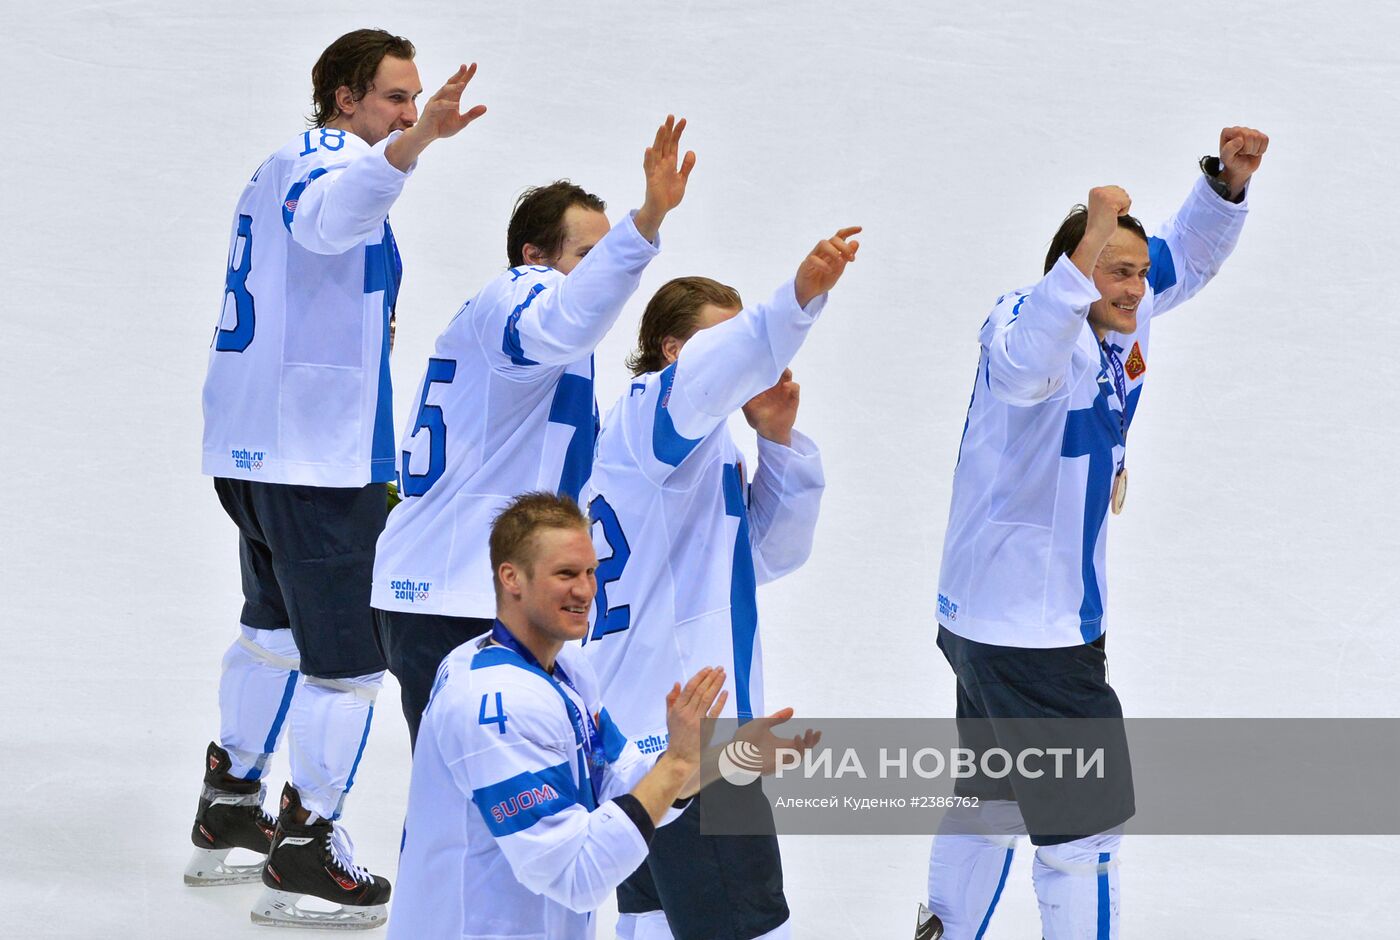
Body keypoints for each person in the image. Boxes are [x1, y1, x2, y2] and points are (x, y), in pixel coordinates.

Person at [926, 126, 1269, 940]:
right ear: (1073, 266)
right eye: (1114, 271)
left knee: (993, 800)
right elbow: (1024, 365)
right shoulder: (1030, 319)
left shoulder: (1125, 310)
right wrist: (1082, 256)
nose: (1133, 289)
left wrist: (1224, 186)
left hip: (989, 622)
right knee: (1083, 840)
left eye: (1135, 275)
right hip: (1036, 633)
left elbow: (1184, 255)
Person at [191, 27, 486, 929]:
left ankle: (232, 802)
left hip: (258, 450)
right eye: (397, 96)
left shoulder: (278, 164)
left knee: (273, 630)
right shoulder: (323, 155)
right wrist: (415, 143)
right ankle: (308, 849)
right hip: (316, 462)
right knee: (349, 667)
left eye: (414, 98)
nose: (410, 108)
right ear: (344, 97)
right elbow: (329, 220)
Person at [370, 116, 695, 748]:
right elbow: (565, 320)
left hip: (474, 587)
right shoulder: (520, 295)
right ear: (535, 257)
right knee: (478, 809)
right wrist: (645, 223)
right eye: (587, 256)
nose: (600, 274)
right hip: (454, 593)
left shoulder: (552, 344)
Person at [580, 228, 861, 940]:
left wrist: (776, 441)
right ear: (676, 354)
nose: (744, 363)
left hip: (636, 725)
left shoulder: (680, 442)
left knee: (648, 916)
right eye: (722, 345)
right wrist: (795, 303)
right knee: (749, 925)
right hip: (689, 733)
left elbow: (767, 556)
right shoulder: (654, 414)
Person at [389, 492, 816, 940]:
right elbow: (575, 876)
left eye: (591, 571)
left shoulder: (564, 670)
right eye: (566, 574)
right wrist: (674, 766)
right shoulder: (493, 705)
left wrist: (723, 759)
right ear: (511, 577)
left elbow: (624, 780)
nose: (586, 590)